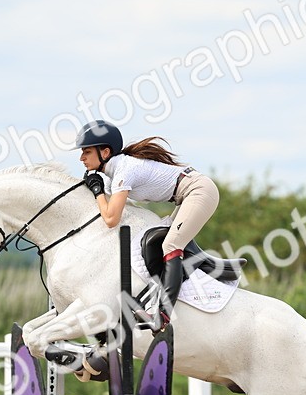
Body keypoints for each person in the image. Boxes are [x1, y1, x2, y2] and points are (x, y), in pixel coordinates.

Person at [74, 120, 220, 328]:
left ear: (105, 152)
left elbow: (111, 218)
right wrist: (94, 189)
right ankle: (208, 267)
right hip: (186, 194)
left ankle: (162, 315)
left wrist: (97, 192)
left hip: (198, 190)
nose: (81, 158)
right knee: (158, 238)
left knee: (170, 245)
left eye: (86, 152)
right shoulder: (112, 172)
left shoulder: (124, 170)